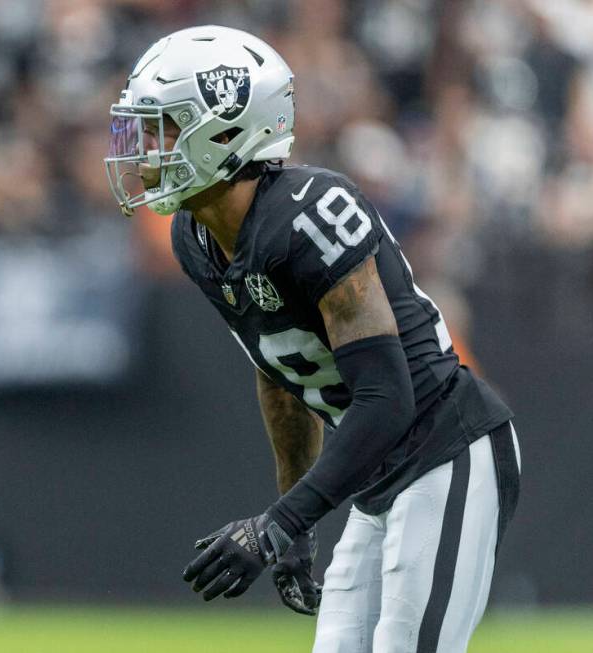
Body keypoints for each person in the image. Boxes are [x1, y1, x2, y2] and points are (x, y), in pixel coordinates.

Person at [104, 26, 520, 653]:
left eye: (164, 127)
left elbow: (387, 396)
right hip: (380, 476)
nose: (145, 150)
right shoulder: (195, 237)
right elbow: (279, 373)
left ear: (224, 131)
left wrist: (278, 525)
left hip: (446, 449)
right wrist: (293, 526)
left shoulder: (310, 212)